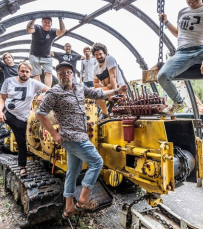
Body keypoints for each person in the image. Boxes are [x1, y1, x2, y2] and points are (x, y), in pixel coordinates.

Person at [36, 62, 128, 218]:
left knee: (72, 172)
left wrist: (116, 90)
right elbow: (40, 113)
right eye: (61, 73)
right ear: (57, 76)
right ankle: (83, 199)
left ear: (72, 74)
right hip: (72, 137)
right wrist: (53, 133)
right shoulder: (54, 93)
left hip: (81, 135)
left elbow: (97, 94)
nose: (65, 75)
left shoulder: (79, 87)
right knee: (97, 162)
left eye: (68, 72)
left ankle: (69, 207)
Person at [26, 16, 66, 87]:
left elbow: (62, 31)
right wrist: (33, 19)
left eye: (49, 22)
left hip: (46, 56)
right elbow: (29, 30)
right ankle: (38, 91)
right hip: (34, 55)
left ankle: (47, 91)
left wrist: (60, 20)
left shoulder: (52, 31)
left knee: (49, 73)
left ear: (51, 24)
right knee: (36, 74)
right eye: (45, 22)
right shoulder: (37, 28)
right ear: (42, 22)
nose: (47, 24)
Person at [92, 42, 126, 116]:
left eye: (100, 54)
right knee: (95, 92)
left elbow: (113, 76)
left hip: (118, 88)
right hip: (109, 89)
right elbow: (96, 84)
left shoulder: (109, 59)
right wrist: (106, 87)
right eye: (96, 55)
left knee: (122, 112)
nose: (99, 56)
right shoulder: (95, 68)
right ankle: (105, 113)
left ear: (105, 53)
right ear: (94, 56)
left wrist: (115, 92)